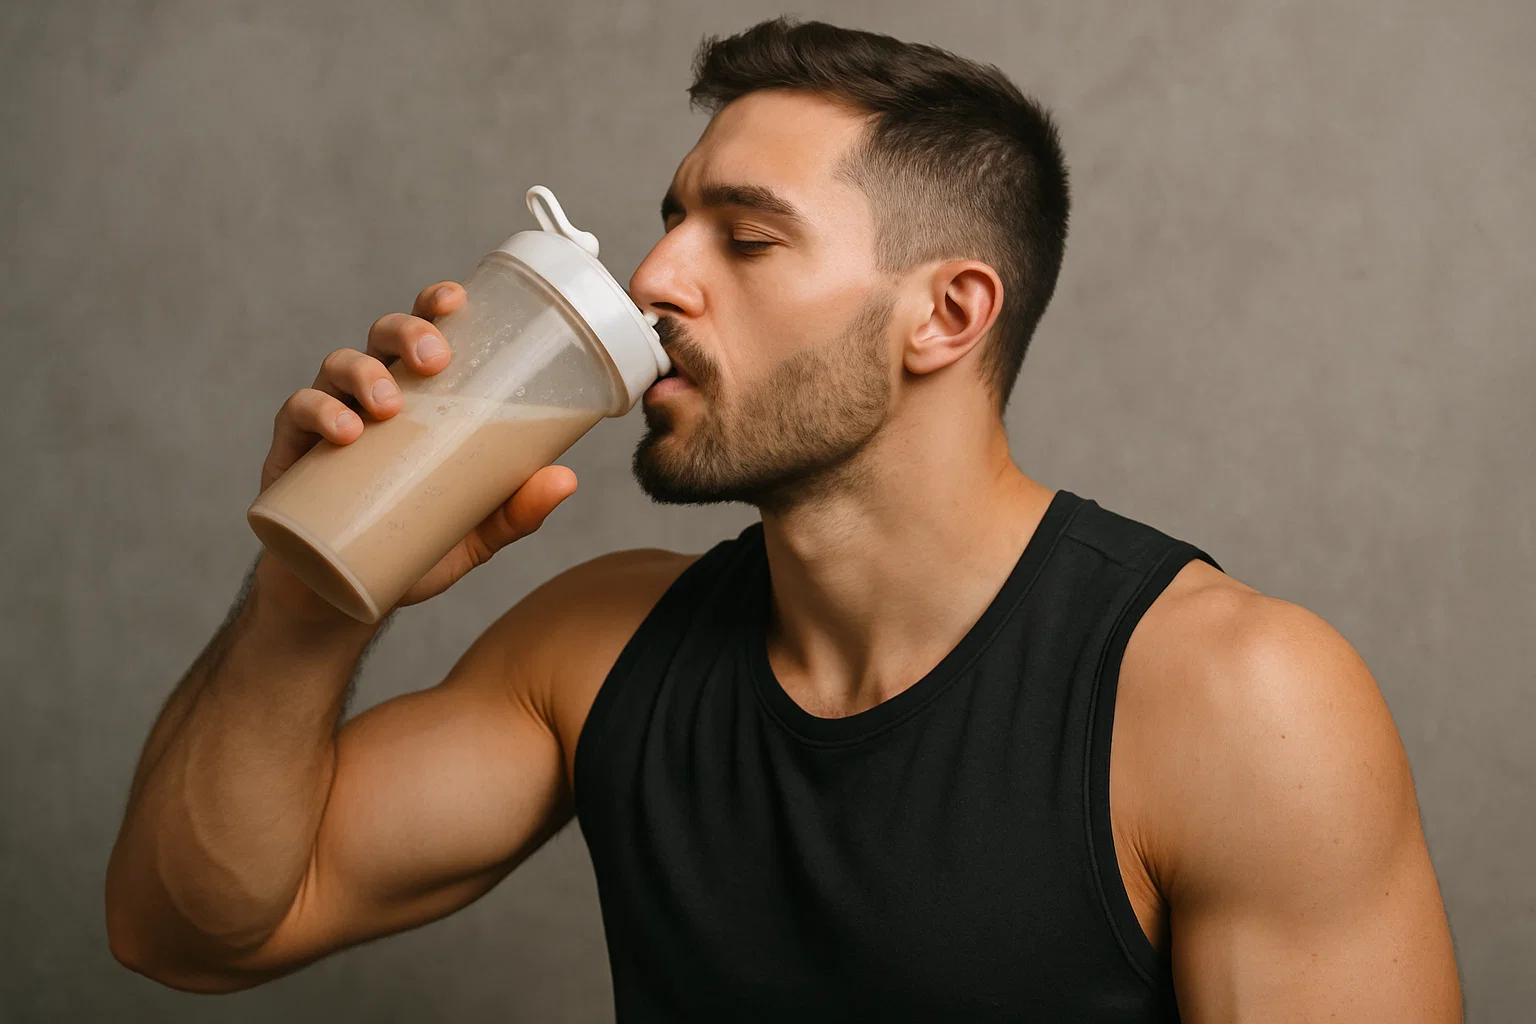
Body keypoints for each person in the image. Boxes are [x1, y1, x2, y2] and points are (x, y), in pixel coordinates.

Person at [105, 17, 1462, 1022]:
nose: (653, 279)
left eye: (744, 239)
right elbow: (194, 930)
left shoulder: (1233, 698)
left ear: (947, 314)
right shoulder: (600, 646)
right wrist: (314, 589)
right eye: (671, 222)